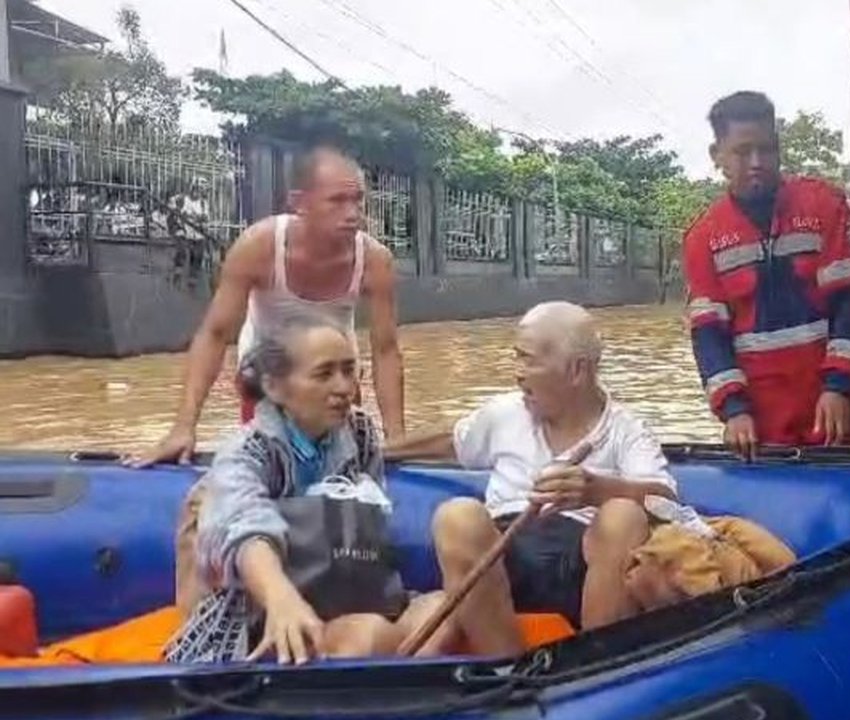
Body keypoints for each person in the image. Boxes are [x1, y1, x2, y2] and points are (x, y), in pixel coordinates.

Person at [385, 301, 677, 657]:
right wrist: (378, 451)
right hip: (500, 561)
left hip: (583, 566)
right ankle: (510, 670)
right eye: (515, 358)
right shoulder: (504, 413)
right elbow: (451, 441)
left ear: (576, 371)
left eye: (528, 360)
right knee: (457, 516)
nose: (517, 373)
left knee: (623, 515)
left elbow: (666, 503)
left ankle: (594, 665)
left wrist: (597, 490)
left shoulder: (627, 432)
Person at [165, 317, 439, 664]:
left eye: (349, 370)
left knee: (440, 611)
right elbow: (247, 528)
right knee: (370, 635)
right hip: (262, 612)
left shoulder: (359, 433)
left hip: (351, 590)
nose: (345, 388)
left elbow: (371, 520)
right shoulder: (247, 452)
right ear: (275, 387)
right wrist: (281, 598)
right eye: (324, 374)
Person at [127, 146, 405, 468]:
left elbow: (386, 350)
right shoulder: (259, 246)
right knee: (268, 463)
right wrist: (183, 427)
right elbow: (215, 334)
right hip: (268, 375)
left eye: (358, 200)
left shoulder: (375, 261)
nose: (353, 213)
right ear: (299, 203)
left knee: (338, 465)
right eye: (337, 201)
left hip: (335, 371)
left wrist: (397, 440)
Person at [683, 91, 850, 458]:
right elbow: (709, 336)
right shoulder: (702, 238)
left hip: (836, 415)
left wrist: (838, 386)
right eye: (742, 151)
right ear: (717, 156)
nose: (757, 162)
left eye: (767, 149)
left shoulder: (825, 206)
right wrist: (733, 410)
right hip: (759, 428)